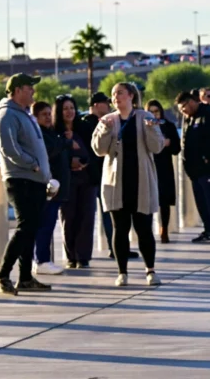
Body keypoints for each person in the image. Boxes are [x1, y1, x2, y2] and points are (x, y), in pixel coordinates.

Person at [92, 82, 165, 286]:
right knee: (120, 228)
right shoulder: (107, 120)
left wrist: (151, 130)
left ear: (131, 96)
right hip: (117, 183)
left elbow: (157, 147)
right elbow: (98, 150)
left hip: (141, 181)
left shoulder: (145, 117)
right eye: (114, 94)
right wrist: (104, 131)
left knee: (143, 228)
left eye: (120, 93)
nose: (116, 97)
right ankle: (122, 272)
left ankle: (150, 270)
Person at [0, 73, 52, 294]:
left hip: (34, 180)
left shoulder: (25, 114)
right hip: (21, 180)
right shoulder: (7, 115)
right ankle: (2, 276)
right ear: (17, 90)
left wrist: (44, 173)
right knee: (25, 227)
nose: (33, 91)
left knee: (31, 229)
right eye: (29, 87)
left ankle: (25, 278)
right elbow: (8, 148)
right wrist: (32, 164)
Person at [80, 92, 139, 260]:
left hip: (105, 174)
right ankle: (115, 248)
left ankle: (119, 248)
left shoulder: (108, 121)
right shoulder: (88, 124)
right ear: (97, 105)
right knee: (106, 215)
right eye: (106, 103)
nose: (110, 106)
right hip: (93, 176)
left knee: (114, 214)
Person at [177, 90, 210, 243]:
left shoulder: (208, 114)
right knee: (201, 201)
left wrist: (206, 158)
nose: (183, 111)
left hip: (209, 167)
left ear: (191, 102)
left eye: (183, 107)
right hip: (195, 169)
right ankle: (208, 230)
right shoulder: (188, 119)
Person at [53, 95, 96, 269]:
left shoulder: (84, 128)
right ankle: (71, 255)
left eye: (72, 108)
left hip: (87, 178)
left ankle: (83, 256)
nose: (69, 112)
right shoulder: (54, 131)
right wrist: (69, 158)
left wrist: (82, 159)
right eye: (65, 108)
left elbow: (94, 151)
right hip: (67, 180)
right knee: (68, 217)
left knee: (86, 217)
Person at [31, 101, 67, 276]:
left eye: (49, 113)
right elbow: (48, 152)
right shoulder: (39, 135)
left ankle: (41, 259)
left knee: (48, 224)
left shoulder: (51, 133)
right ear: (36, 117)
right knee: (44, 224)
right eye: (43, 114)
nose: (48, 117)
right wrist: (64, 143)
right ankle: (41, 260)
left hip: (56, 187)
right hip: (46, 186)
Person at [145, 99, 181, 243]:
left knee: (164, 200)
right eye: (151, 112)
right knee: (146, 200)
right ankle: (147, 232)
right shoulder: (143, 126)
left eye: (156, 111)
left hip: (164, 167)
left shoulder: (169, 126)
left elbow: (177, 149)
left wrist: (169, 143)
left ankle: (164, 230)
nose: (154, 115)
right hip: (148, 166)